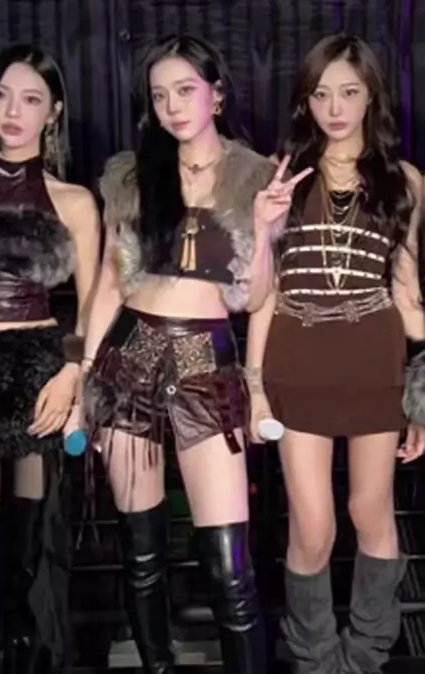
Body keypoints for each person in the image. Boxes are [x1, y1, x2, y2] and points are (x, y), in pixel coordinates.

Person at [81, 33, 311, 674]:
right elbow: (108, 283)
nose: (173, 107)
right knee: (141, 553)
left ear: (217, 93)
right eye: (159, 96)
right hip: (129, 354)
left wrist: (261, 229)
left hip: (204, 360)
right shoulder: (132, 176)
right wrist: (84, 380)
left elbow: (256, 298)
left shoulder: (257, 176)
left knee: (229, 566)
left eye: (185, 90)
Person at [246, 33, 425, 673]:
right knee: (314, 525)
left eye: (349, 92)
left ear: (372, 95)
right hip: (297, 356)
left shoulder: (404, 181)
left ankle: (369, 655)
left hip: (374, 356)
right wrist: (255, 386)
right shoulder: (280, 175)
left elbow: (408, 295)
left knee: (370, 509)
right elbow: (259, 296)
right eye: (321, 94)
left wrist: (422, 394)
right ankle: (317, 660)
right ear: (306, 100)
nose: (335, 107)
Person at [0, 45, 101, 673]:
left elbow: (93, 304)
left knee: (36, 549)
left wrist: (73, 375)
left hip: (40, 373)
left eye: (31, 98)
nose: (13, 110)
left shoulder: (75, 200)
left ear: (53, 112)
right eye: (3, 95)